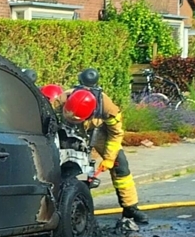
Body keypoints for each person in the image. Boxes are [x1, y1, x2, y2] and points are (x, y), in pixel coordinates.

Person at [53, 70, 149, 225]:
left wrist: (110, 159)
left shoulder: (107, 107)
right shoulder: (64, 98)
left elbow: (116, 133)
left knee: (121, 166)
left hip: (97, 133)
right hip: (68, 132)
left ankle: (131, 207)